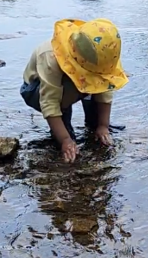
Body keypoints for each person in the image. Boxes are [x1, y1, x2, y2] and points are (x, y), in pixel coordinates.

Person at [21, 18, 128, 163]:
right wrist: (65, 139)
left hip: (70, 86)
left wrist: (103, 125)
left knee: (97, 83)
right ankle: (62, 130)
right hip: (36, 90)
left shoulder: (105, 54)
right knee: (65, 131)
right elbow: (49, 102)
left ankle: (94, 124)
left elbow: (105, 86)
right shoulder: (50, 57)